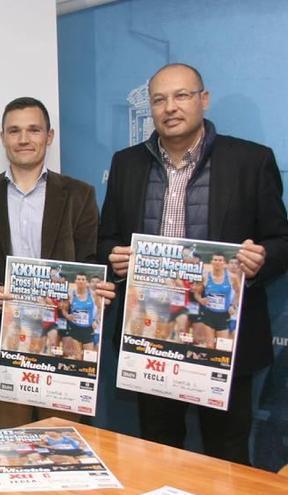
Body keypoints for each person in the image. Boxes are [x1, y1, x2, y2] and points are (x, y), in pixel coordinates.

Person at [98, 63, 288, 464]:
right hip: (151, 336)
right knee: (158, 449)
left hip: (222, 339)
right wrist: (113, 257)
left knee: (226, 453)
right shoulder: (126, 164)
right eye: (159, 99)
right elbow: (108, 238)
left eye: (181, 95)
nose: (170, 107)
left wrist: (261, 261)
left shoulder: (250, 161)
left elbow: (281, 240)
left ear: (204, 100)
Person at [0, 97, 115, 428]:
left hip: (64, 344)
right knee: (9, 446)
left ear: (49, 136)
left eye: (34, 130)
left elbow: (90, 262)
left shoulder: (79, 194)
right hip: (4, 344)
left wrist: (99, 288)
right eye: (15, 131)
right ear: (3, 137)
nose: (24, 139)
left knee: (63, 444)